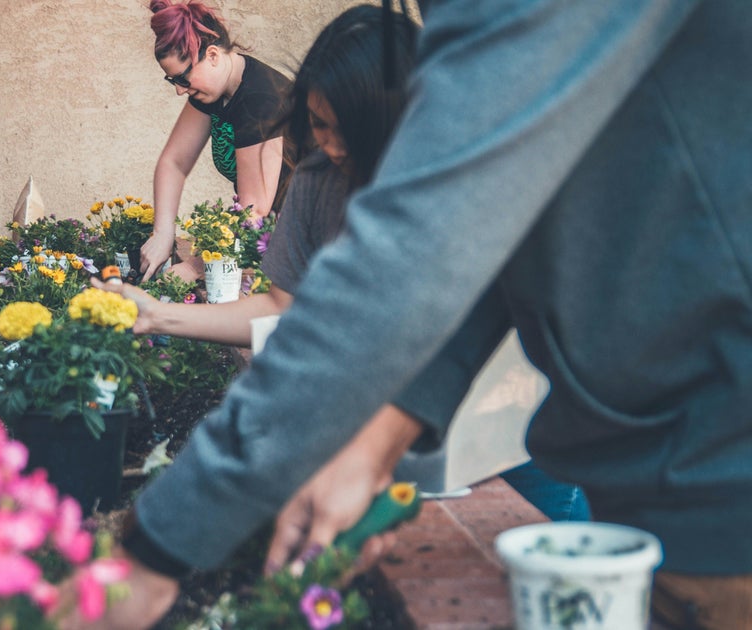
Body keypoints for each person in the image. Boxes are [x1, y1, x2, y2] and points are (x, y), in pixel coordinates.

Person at [65, 0, 752, 628]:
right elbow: (474, 258)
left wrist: (161, 546)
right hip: (655, 473)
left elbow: (416, 255)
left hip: (712, 473)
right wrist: (372, 445)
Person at [102, 5, 590, 524]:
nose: (329, 147)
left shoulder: (462, 181)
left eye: (344, 129)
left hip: (517, 421)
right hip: (407, 431)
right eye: (317, 125)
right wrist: (157, 315)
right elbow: (281, 307)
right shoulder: (316, 181)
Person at [138, 0, 294, 283]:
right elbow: (174, 162)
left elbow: (254, 215)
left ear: (212, 55)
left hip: (310, 240)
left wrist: (194, 267)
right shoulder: (214, 91)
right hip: (271, 240)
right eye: (171, 80)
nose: (179, 90)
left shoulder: (259, 102)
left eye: (183, 78)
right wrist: (162, 234)